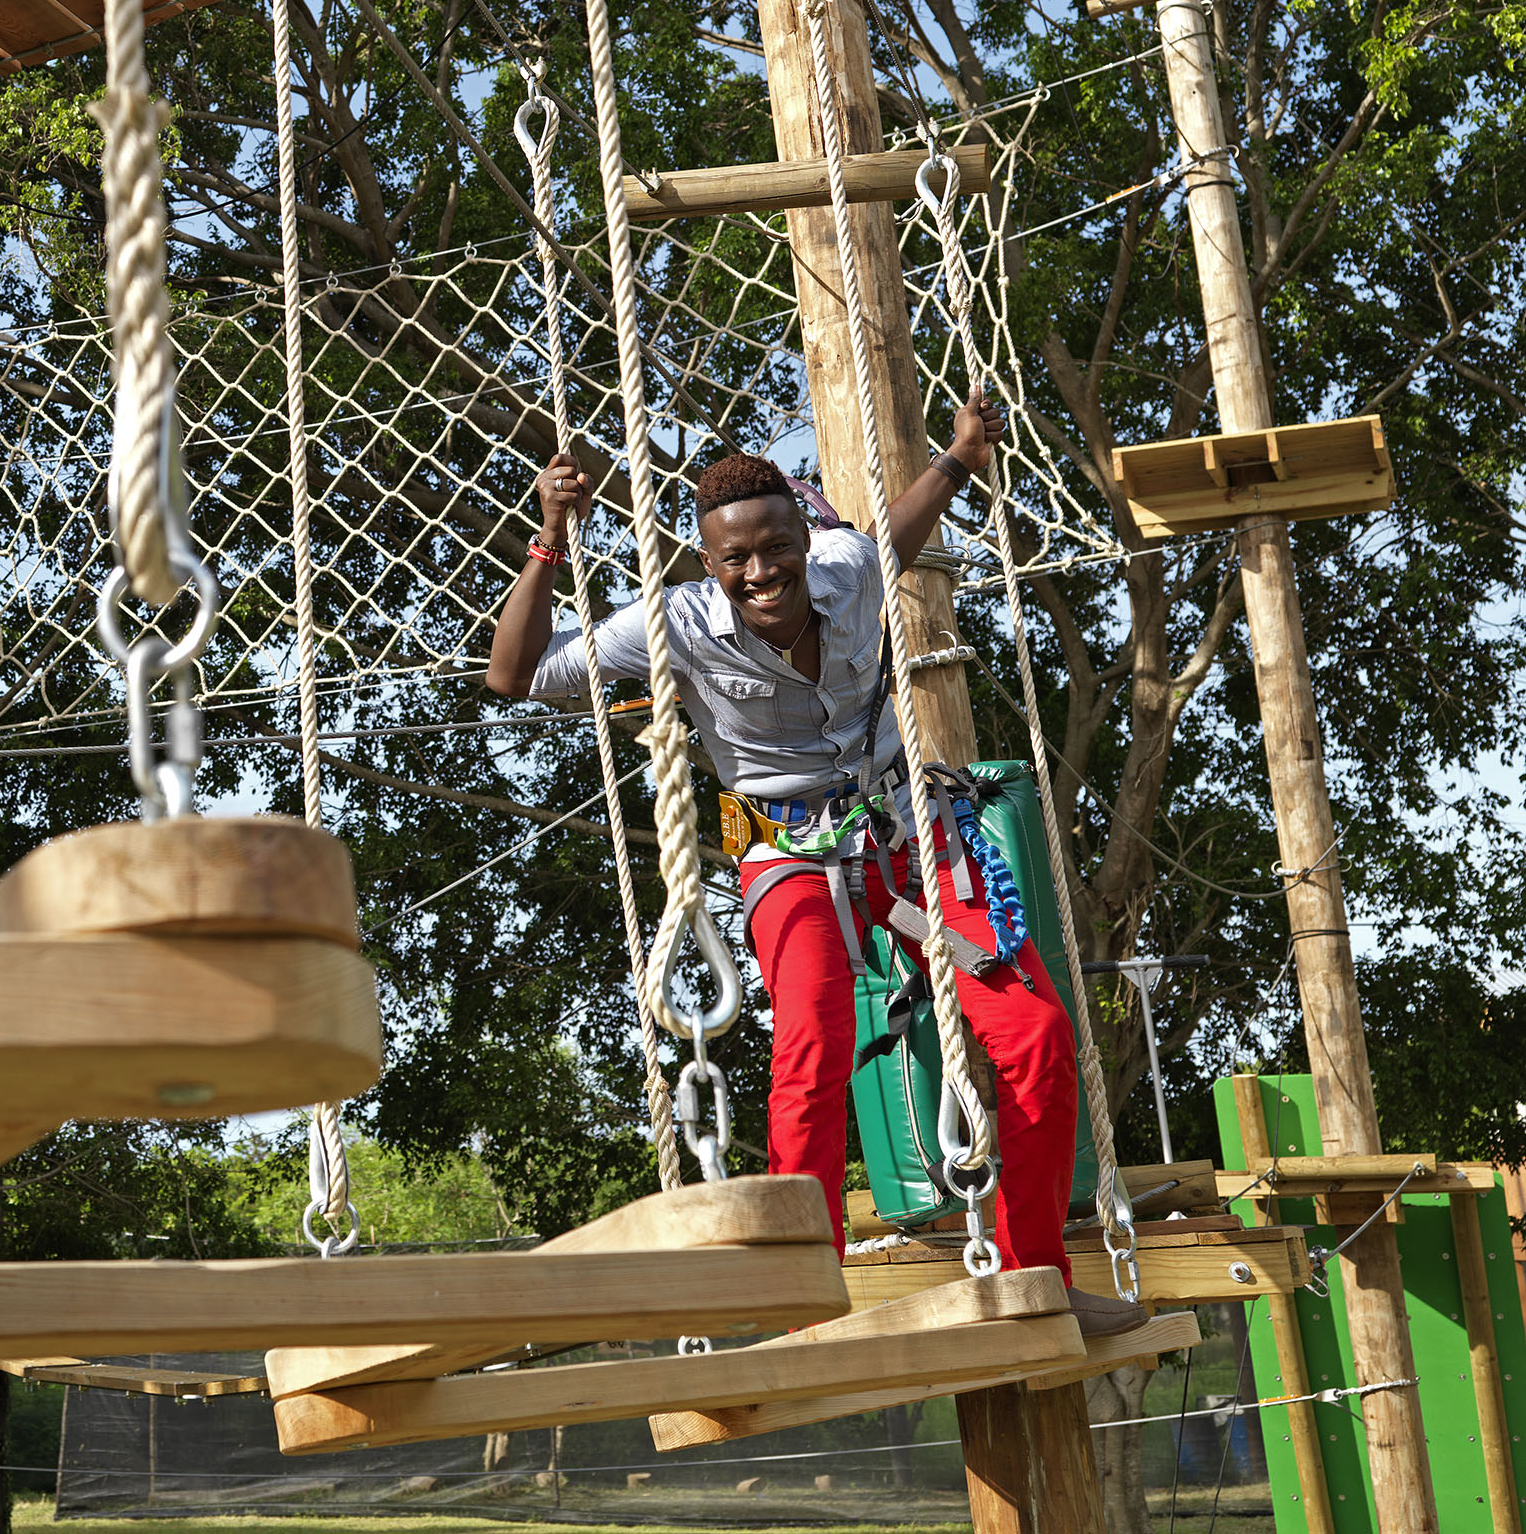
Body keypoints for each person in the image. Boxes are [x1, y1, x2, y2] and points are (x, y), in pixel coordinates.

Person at [485, 391, 1137, 1334]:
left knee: (1034, 1032)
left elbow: (894, 534)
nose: (760, 572)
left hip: (905, 834)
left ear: (803, 537)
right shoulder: (674, 622)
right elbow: (513, 674)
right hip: (785, 853)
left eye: (775, 548)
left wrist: (959, 457)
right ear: (707, 563)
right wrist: (550, 535)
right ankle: (805, 1304)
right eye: (735, 559)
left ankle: (1036, 1273)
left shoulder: (846, 566)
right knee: (812, 1050)